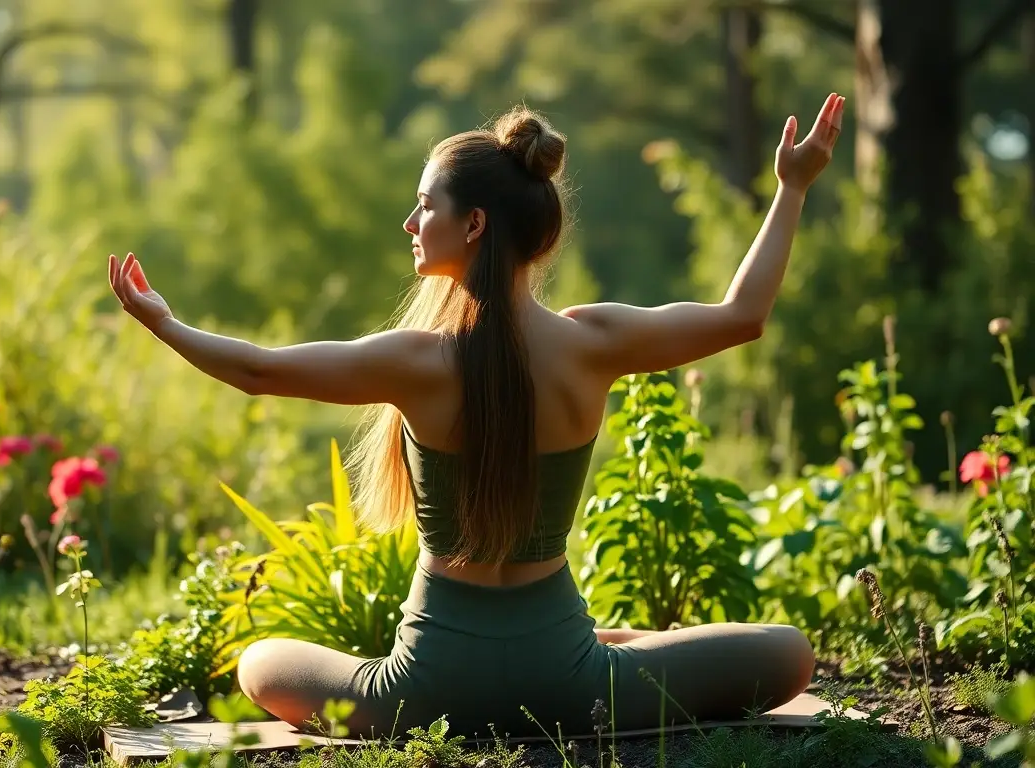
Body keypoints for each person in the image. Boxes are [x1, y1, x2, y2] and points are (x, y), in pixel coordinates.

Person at [107, 92, 846, 739]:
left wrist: (167, 324)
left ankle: (605, 644)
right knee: (788, 654)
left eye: (426, 204)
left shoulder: (418, 361)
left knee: (259, 662)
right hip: (575, 687)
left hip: (421, 695)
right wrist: (792, 188)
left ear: (474, 225)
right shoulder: (593, 343)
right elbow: (743, 316)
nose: (410, 220)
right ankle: (613, 646)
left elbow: (259, 370)